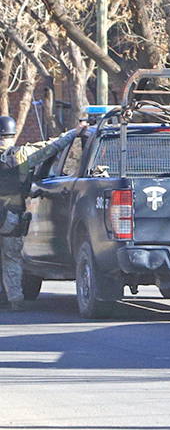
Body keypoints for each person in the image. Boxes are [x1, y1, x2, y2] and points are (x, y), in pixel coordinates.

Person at [1, 116, 88, 311]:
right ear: (13, 135)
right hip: (11, 217)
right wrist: (74, 132)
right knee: (12, 257)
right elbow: (52, 146)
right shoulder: (22, 155)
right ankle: (15, 299)